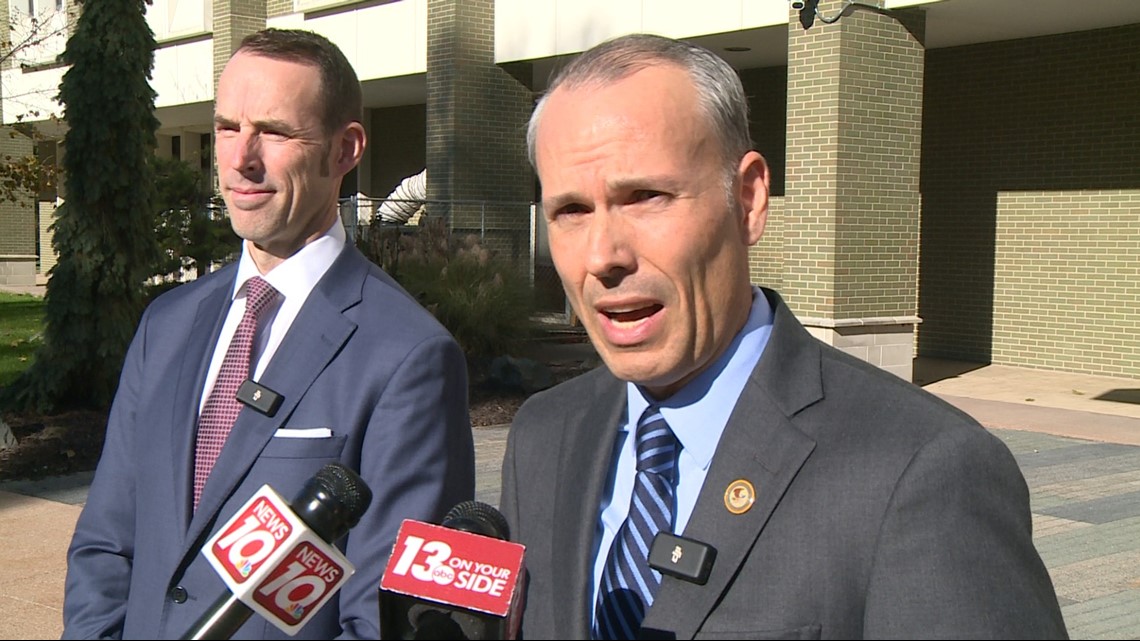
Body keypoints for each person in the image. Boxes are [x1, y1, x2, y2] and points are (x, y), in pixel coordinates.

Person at [500, 33, 1068, 639]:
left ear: (748, 199)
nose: (602, 256)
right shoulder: (543, 433)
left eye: (645, 197)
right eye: (571, 211)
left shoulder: (925, 469)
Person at [62, 28, 474, 639]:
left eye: (274, 132)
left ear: (345, 149)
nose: (240, 158)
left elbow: (387, 622)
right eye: (227, 127)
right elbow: (106, 543)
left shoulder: (409, 356)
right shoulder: (166, 325)